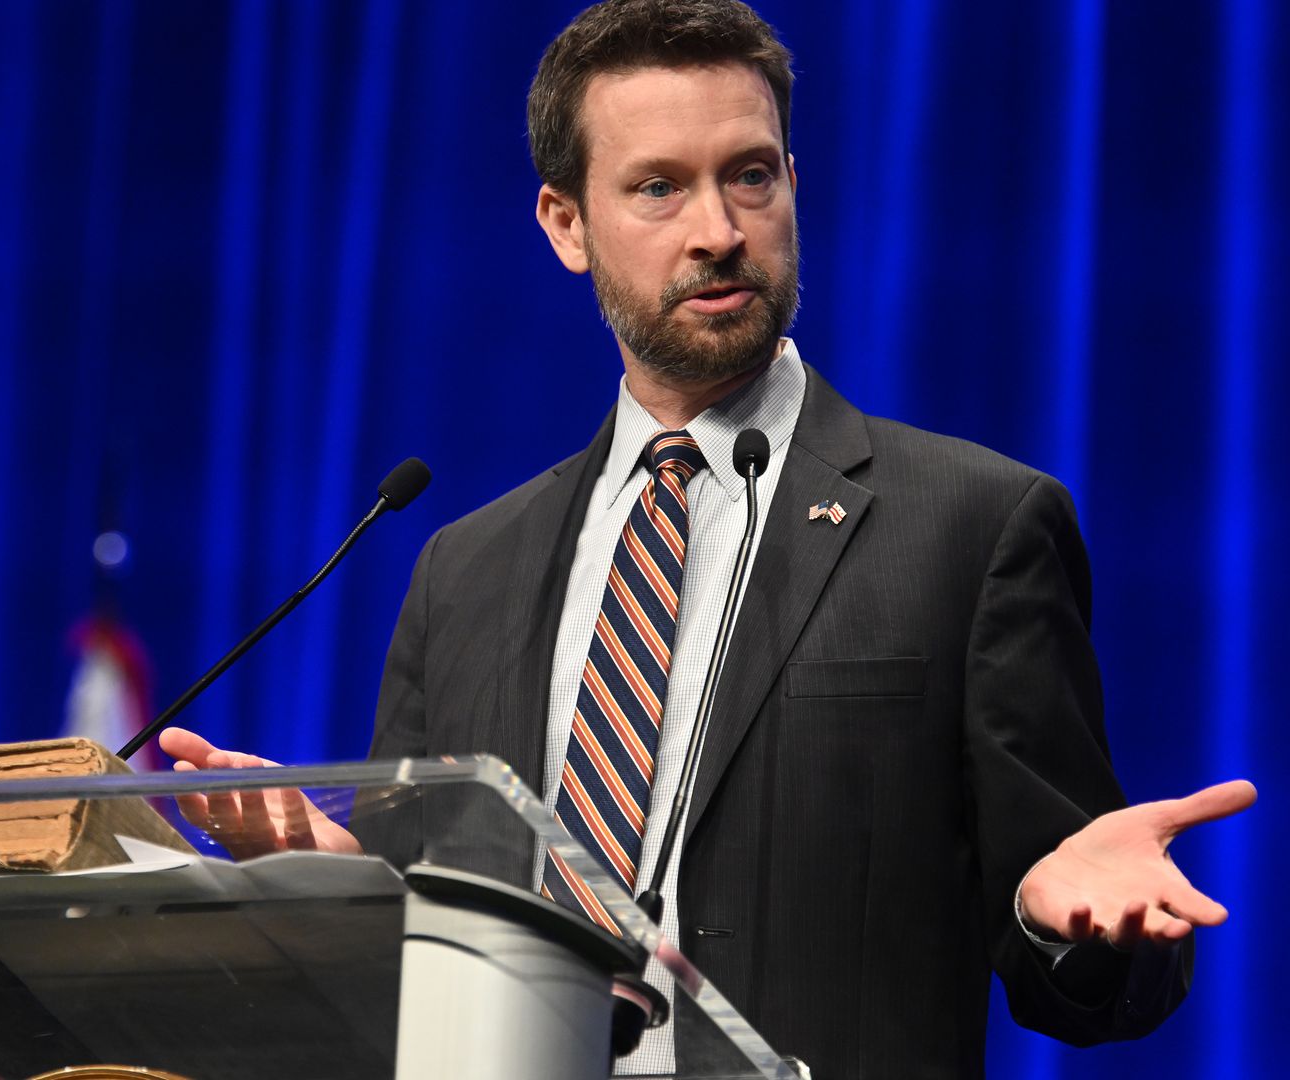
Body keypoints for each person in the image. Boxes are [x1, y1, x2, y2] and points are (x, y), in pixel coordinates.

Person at [161, 1, 1256, 1076]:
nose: (719, 231)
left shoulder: (972, 526)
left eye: (751, 174)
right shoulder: (465, 570)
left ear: (794, 184)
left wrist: (1065, 917)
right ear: (565, 225)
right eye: (657, 188)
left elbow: (1083, 958)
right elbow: (429, 919)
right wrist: (341, 870)